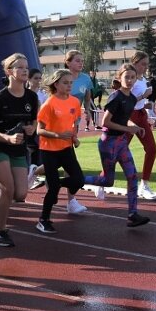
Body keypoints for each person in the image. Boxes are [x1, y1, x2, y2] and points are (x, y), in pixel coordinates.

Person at [0, 53, 38, 247]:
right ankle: (1, 231)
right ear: (9, 72)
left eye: (26, 67)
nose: (24, 70)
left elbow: (34, 121)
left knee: (20, 194)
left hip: (18, 148)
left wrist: (32, 128)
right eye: (20, 67)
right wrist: (7, 137)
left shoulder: (31, 96)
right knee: (8, 188)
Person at [83, 64, 151, 227]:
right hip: (109, 143)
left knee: (132, 176)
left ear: (136, 79)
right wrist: (129, 128)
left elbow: (124, 118)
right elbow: (105, 122)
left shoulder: (132, 98)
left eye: (132, 77)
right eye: (126, 77)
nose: (129, 80)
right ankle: (76, 179)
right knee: (107, 181)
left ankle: (132, 214)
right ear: (119, 78)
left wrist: (135, 126)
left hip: (121, 143)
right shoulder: (115, 97)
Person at [35, 69, 85, 234]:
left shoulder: (75, 102)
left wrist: (74, 138)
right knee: (54, 188)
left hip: (66, 148)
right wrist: (57, 135)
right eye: (65, 82)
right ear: (56, 84)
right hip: (49, 150)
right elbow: (39, 131)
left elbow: (72, 124)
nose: (69, 85)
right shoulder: (49, 104)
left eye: (71, 82)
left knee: (78, 180)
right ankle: (43, 220)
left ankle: (55, 184)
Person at [62, 50, 92, 214]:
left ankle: (35, 170)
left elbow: (87, 98)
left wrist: (86, 110)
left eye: (82, 60)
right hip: (59, 121)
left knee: (64, 156)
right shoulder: (61, 77)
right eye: (77, 61)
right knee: (67, 158)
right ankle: (71, 201)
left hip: (75, 122)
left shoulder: (86, 79)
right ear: (68, 62)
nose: (81, 63)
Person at [126, 51, 156, 199]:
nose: (145, 67)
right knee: (118, 150)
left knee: (152, 148)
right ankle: (103, 179)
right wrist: (143, 96)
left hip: (141, 116)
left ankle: (144, 184)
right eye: (143, 64)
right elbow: (124, 102)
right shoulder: (129, 79)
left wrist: (147, 106)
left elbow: (140, 102)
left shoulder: (144, 80)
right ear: (135, 62)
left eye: (147, 64)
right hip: (127, 117)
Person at [26, 68, 48, 190]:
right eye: (35, 78)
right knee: (26, 152)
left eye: (40, 78)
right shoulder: (23, 93)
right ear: (28, 79)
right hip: (25, 126)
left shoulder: (43, 95)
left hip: (38, 127)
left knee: (36, 153)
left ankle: (32, 177)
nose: (38, 81)